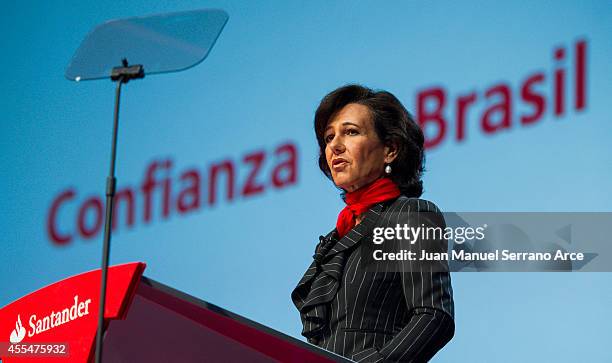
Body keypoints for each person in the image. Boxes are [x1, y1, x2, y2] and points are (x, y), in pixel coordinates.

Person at [291, 85, 455, 362]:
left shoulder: (411, 214)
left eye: (351, 132)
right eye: (329, 137)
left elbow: (434, 316)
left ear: (390, 149)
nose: (335, 146)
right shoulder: (336, 239)